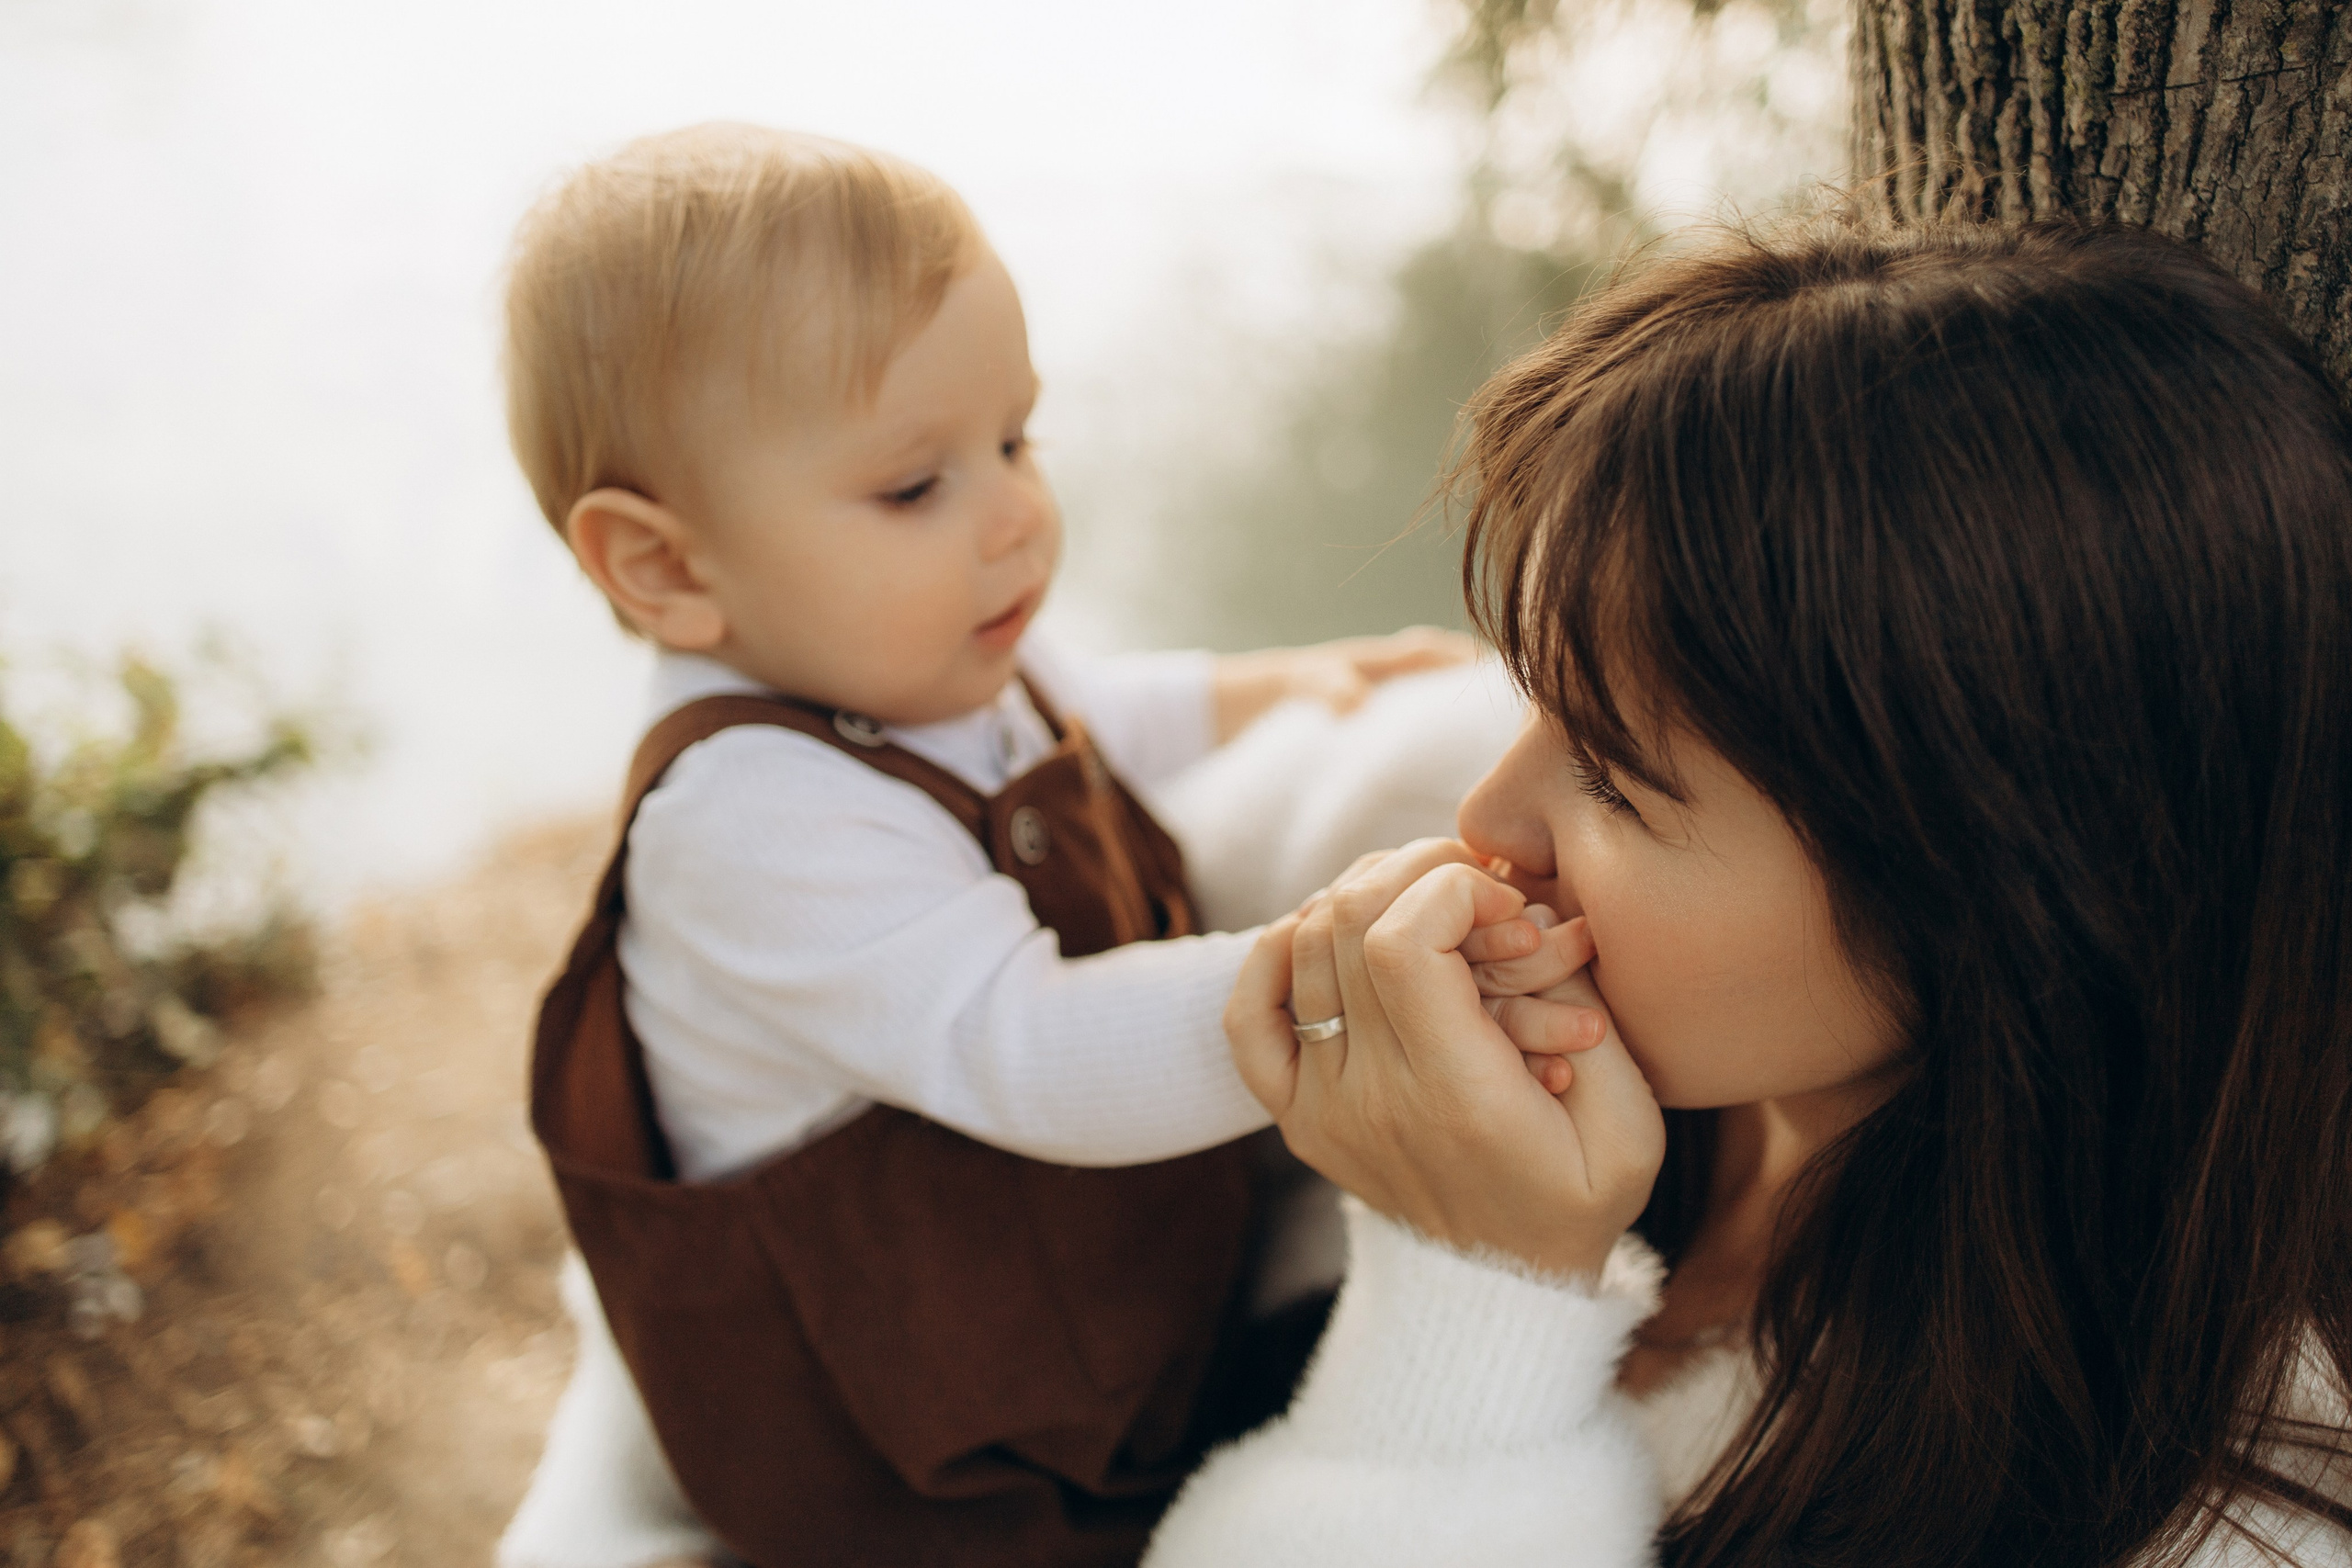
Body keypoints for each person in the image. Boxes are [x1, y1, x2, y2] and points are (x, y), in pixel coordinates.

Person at [1148, 216, 2352, 1565]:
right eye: (1531, 696)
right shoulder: (1449, 941)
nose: (1489, 814)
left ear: (1995, 882)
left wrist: (1474, 1287)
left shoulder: (2210, 1523)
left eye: (1611, 776)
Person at [497, 122, 1481, 1568]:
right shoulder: (742, 824)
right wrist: (1324, 987)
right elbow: (1021, 1046)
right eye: (916, 485)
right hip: (926, 1427)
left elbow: (1098, 712)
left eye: (1017, 437)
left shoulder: (915, 649)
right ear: (667, 566)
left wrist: (1291, 684)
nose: (1017, 511)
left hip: (1087, 1270)